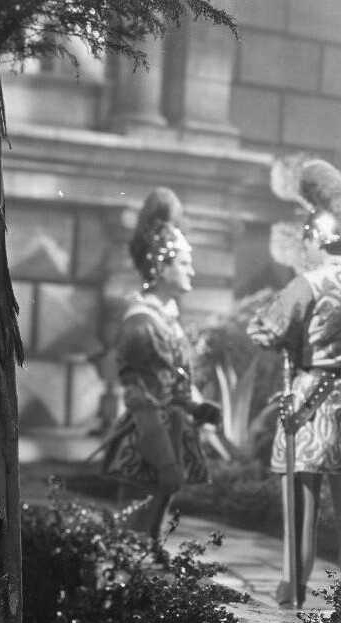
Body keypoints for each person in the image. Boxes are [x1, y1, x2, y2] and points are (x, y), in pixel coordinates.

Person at [248, 159, 341, 606]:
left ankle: (292, 592)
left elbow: (264, 332)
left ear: (316, 237)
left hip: (313, 405)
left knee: (302, 511)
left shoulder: (309, 284)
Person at [102, 188, 221, 540]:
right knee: (134, 539)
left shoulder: (166, 319)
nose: (192, 271)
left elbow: (172, 382)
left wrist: (197, 407)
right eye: (183, 263)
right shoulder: (142, 323)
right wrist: (166, 461)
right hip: (148, 446)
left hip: (168, 438)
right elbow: (141, 400)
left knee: (150, 538)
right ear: (160, 267)